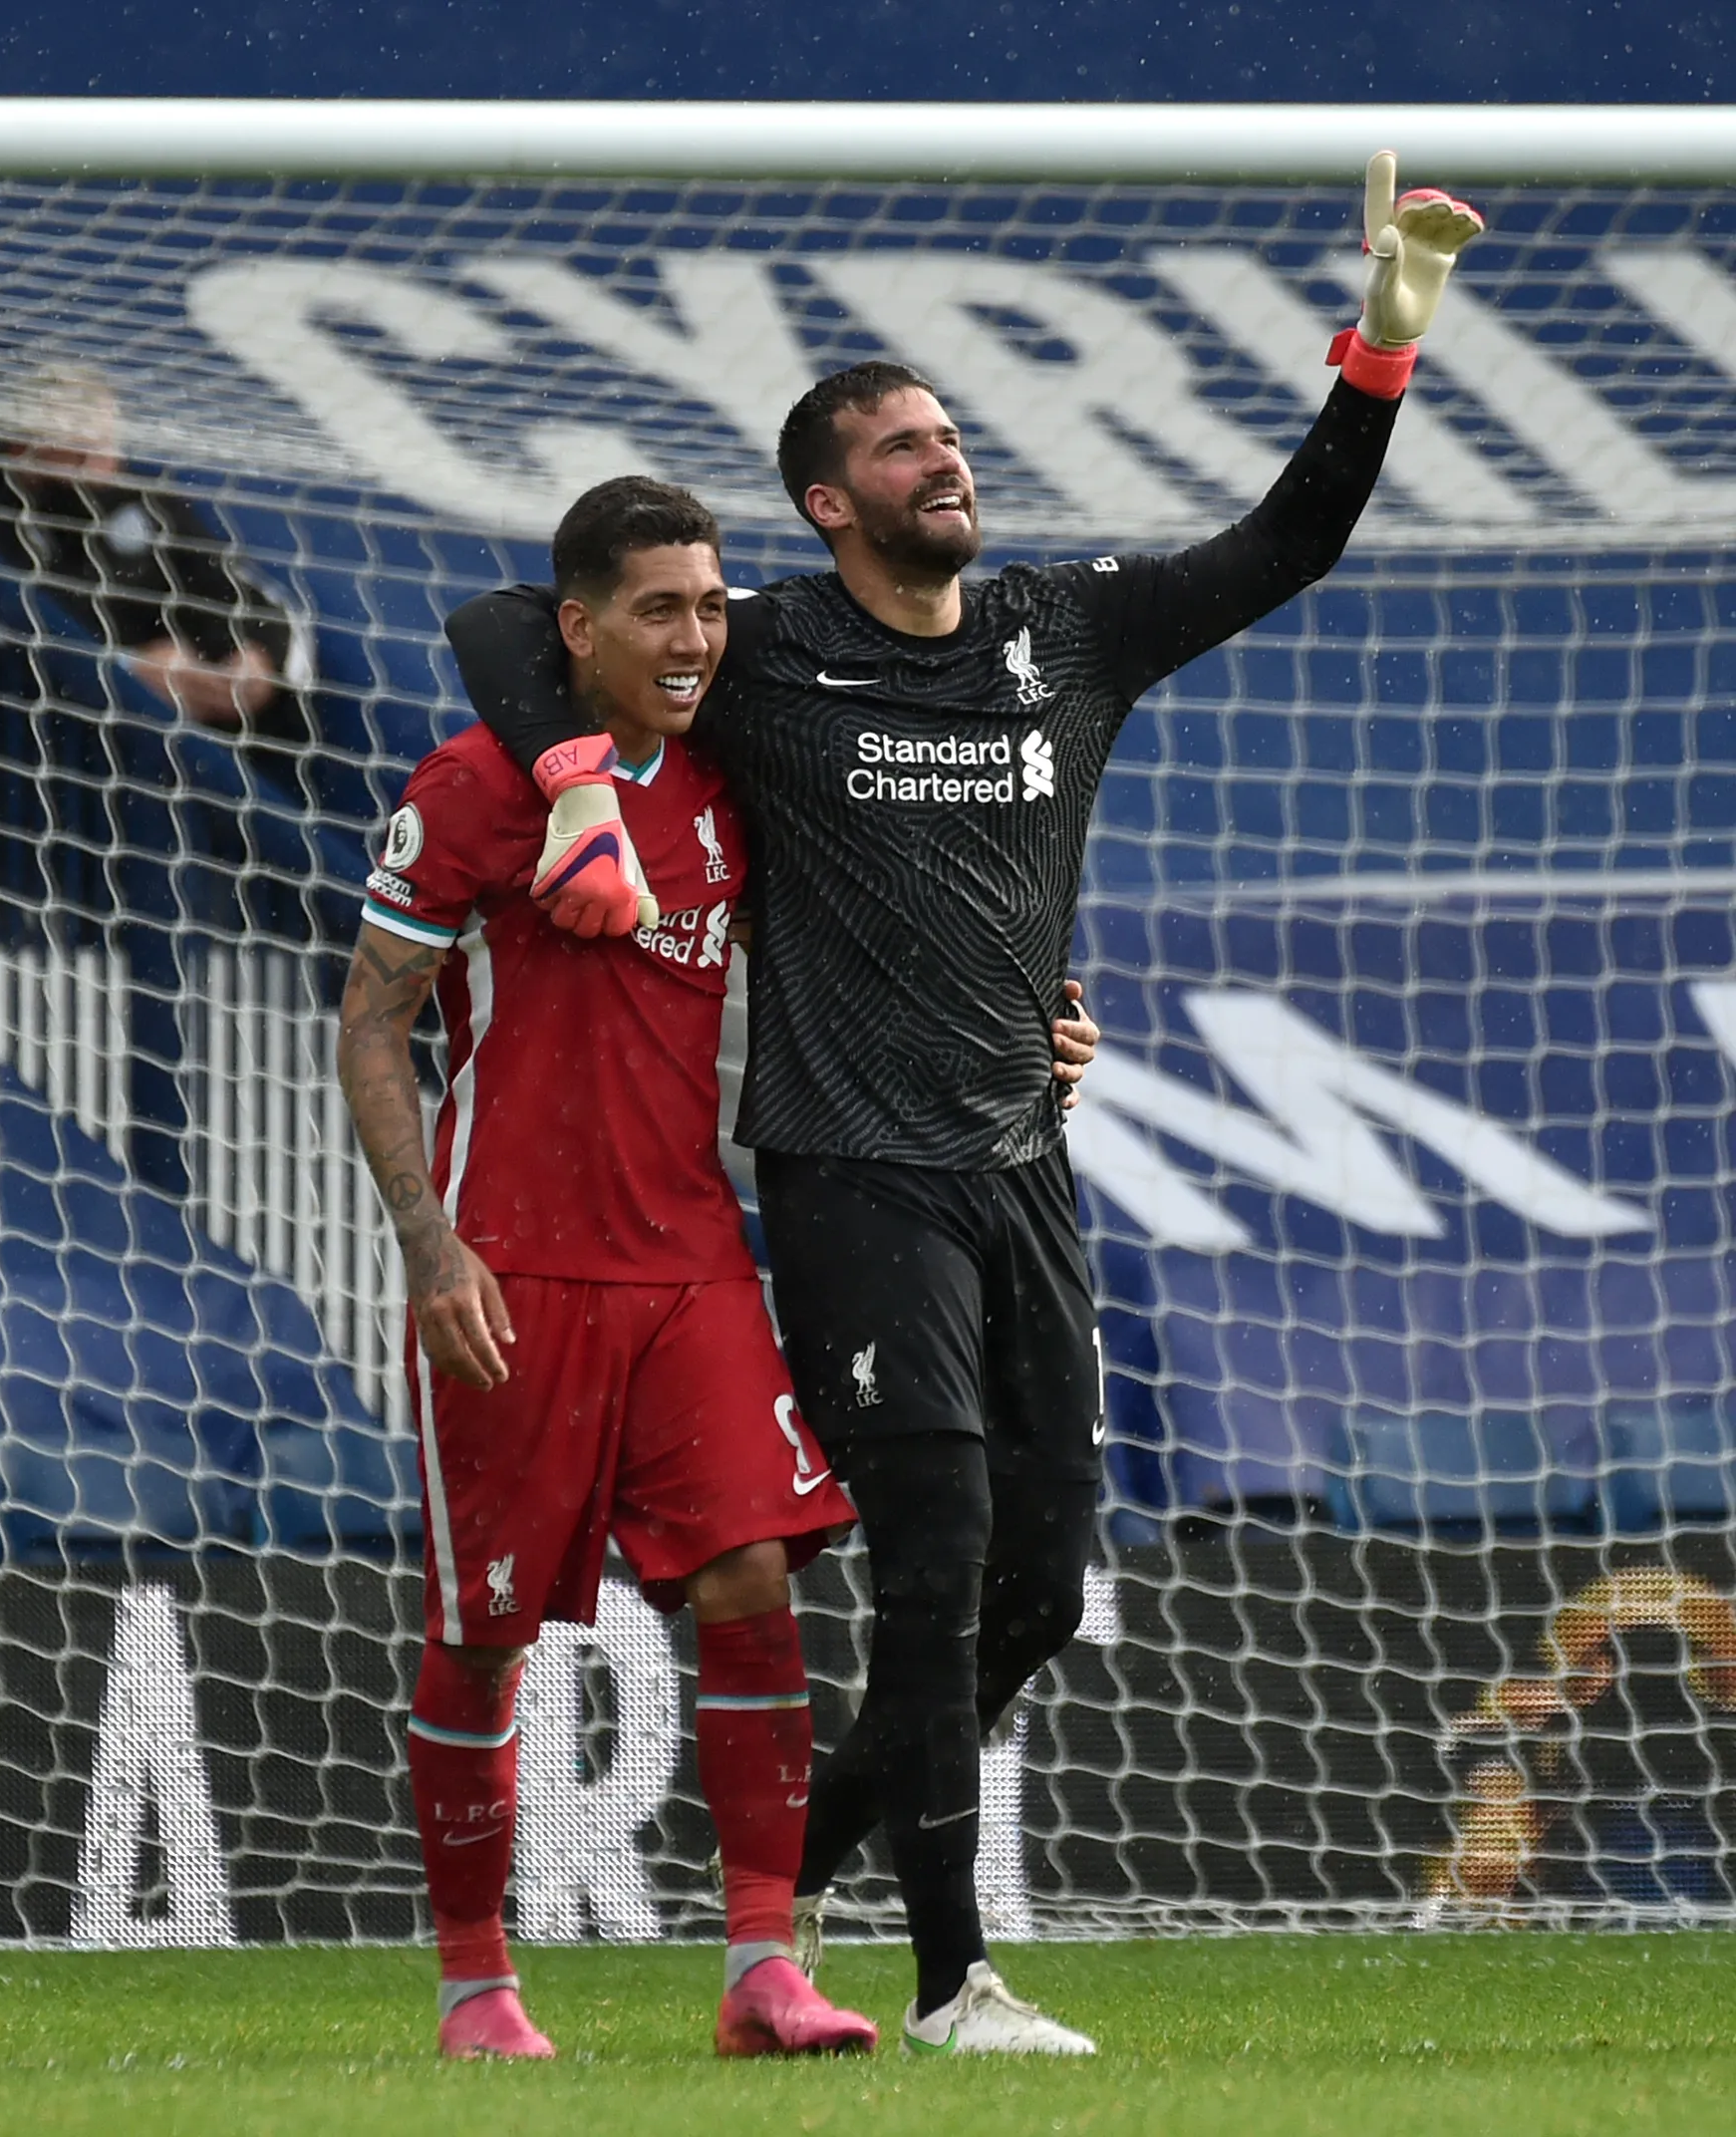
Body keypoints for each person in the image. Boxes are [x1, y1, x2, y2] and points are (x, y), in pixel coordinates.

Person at [445, 154, 1482, 2054]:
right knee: (926, 1571)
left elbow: (1288, 539)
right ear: (827, 502)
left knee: (1032, 1580)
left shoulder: (1059, 628)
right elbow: (508, 623)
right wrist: (586, 782)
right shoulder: (758, 654)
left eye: (947, 432)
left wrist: (1385, 331)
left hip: (1022, 1160)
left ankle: (791, 1887)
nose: (945, 458)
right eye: (901, 445)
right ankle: (951, 1982)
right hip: (852, 1171)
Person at [339, 477, 1096, 2062]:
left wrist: (1032, 1017)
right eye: (660, 612)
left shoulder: (723, 788)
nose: (697, 641)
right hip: (514, 1271)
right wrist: (429, 1244)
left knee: (756, 1584)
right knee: (482, 1633)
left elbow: (878, 924)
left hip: (691, 1254)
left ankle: (767, 1968)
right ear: (580, 628)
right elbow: (371, 1021)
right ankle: (477, 1987)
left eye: (709, 608)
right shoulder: (472, 787)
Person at [0, 365, 316, 799]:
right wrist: (125, 671)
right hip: (41, 759)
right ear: (20, 447)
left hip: (187, 753)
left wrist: (255, 661)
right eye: (76, 453)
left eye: (105, 449)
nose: (97, 468)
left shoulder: (140, 496)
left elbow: (231, 587)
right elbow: (4, 630)